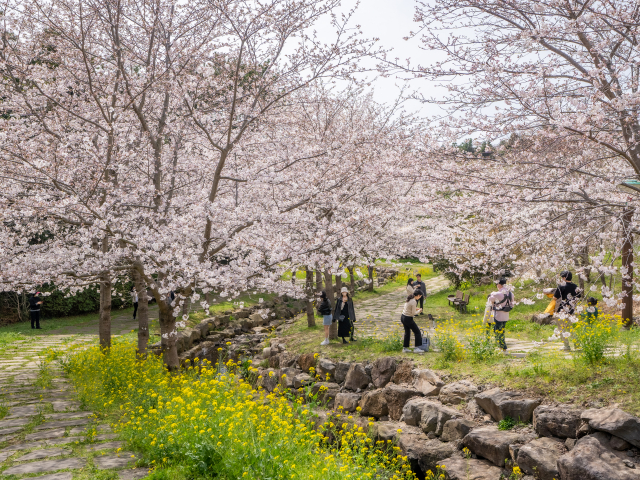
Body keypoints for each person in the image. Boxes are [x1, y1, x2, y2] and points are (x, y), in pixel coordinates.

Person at [487, 278, 514, 353]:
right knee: (501, 331)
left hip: (498, 315)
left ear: (499, 284)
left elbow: (489, 300)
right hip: (506, 315)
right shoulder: (511, 294)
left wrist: (492, 293)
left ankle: (503, 348)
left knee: (497, 332)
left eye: (496, 284)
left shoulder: (497, 294)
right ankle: (501, 348)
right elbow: (512, 304)